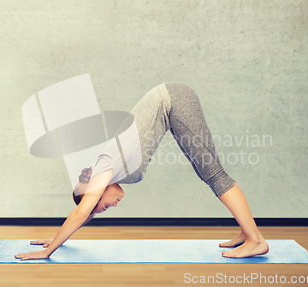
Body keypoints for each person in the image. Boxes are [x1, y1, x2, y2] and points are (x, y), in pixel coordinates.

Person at [15, 82, 268, 261]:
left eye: (103, 206)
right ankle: (248, 233)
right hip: (171, 106)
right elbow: (86, 213)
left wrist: (48, 252)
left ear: (96, 191)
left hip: (173, 99)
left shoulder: (103, 166)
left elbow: (81, 212)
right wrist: (59, 239)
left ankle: (256, 241)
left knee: (213, 174)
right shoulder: (107, 175)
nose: (112, 206)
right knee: (208, 174)